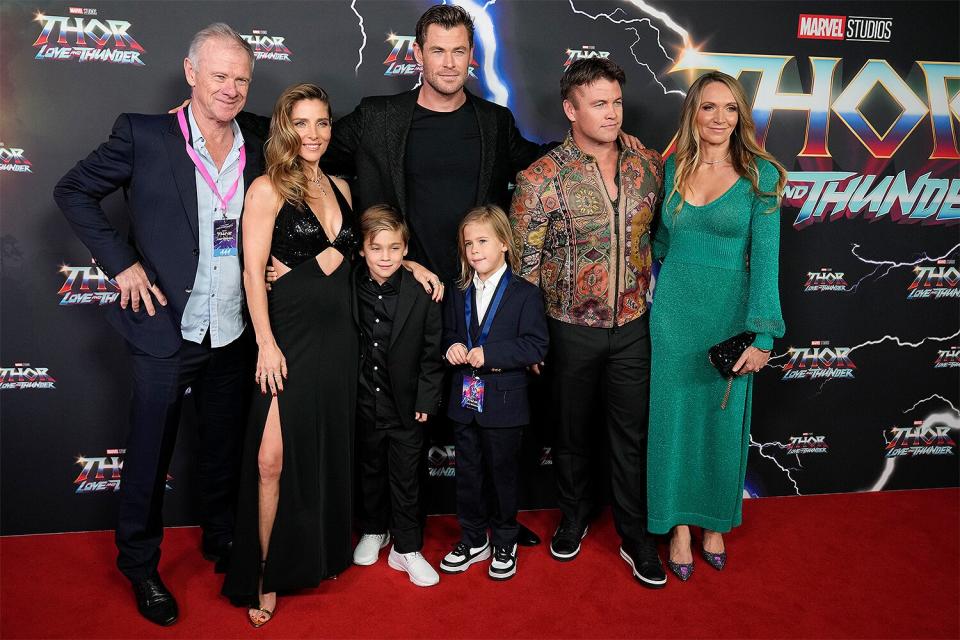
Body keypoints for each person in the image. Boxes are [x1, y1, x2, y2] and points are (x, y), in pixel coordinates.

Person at [53, 24, 263, 626]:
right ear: (192, 74)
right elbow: (73, 191)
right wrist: (121, 264)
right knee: (148, 453)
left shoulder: (260, 134)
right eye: (219, 76)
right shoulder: (144, 134)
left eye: (241, 79)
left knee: (224, 447)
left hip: (232, 327)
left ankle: (222, 539)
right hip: (165, 326)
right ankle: (141, 566)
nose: (230, 88)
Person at [510, 58, 666, 588]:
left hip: (634, 326)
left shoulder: (648, 163)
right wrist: (528, 338)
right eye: (599, 103)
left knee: (632, 434)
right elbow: (523, 269)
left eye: (616, 101)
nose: (611, 113)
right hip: (567, 328)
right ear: (570, 109)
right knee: (571, 434)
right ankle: (573, 517)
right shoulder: (540, 178)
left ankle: (636, 534)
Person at [220, 83, 358, 626]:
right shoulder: (266, 188)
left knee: (321, 451)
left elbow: (364, 253)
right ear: (284, 127)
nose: (314, 134)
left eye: (322, 122)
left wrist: (412, 265)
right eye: (302, 123)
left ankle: (316, 556)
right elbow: (253, 272)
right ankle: (263, 571)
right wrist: (266, 343)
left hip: (339, 342)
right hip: (287, 339)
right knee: (269, 460)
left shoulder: (343, 186)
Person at [646, 71, 786, 581]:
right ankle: (677, 526)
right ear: (693, 114)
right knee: (671, 424)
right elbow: (660, 244)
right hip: (673, 317)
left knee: (721, 424)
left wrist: (764, 334)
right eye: (709, 107)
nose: (720, 118)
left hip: (729, 320)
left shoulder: (761, 176)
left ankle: (713, 521)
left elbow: (767, 261)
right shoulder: (673, 170)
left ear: (741, 116)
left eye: (730, 108)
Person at [439, 205, 548, 580]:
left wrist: (491, 354)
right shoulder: (459, 291)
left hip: (505, 402)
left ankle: (504, 539)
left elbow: (536, 345)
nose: (474, 250)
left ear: (504, 243)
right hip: (464, 400)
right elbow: (451, 331)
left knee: (502, 475)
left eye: (483, 241)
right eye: (468, 244)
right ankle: (472, 539)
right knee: (467, 473)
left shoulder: (525, 294)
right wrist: (452, 345)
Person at [351, 205, 444, 587]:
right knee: (369, 471)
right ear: (361, 251)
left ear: (406, 250)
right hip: (363, 402)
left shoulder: (422, 294)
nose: (385, 257)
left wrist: (426, 399)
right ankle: (374, 530)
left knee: (406, 478)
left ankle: (407, 548)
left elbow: (431, 351)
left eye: (394, 249)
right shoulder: (350, 282)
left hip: (405, 406)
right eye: (376, 249)